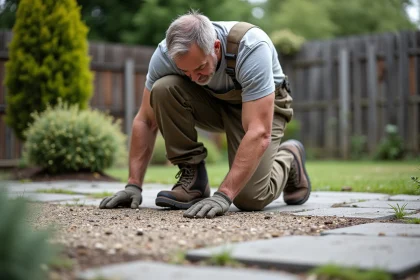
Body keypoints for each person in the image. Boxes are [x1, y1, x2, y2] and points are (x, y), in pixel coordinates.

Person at [99, 11, 311, 218]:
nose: (192, 77)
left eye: (199, 67)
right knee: (163, 88)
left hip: (264, 109)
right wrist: (133, 185)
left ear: (216, 47)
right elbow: (145, 120)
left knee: (250, 199)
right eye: (185, 72)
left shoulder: (251, 48)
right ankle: (194, 182)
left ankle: (289, 157)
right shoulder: (165, 54)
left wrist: (224, 195)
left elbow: (258, 132)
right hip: (215, 102)